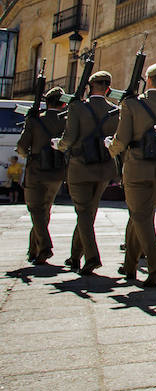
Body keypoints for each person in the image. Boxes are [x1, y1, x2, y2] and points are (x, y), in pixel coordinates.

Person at [108, 61, 156, 288]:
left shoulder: (132, 104)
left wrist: (111, 147)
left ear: (147, 80)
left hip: (137, 165)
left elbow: (123, 137)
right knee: (141, 214)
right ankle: (130, 265)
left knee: (140, 216)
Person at [56, 69, 119, 275]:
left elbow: (70, 136)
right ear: (108, 88)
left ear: (89, 87)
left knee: (83, 212)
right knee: (88, 212)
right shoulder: (114, 110)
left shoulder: (77, 108)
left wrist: (59, 145)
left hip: (81, 166)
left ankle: (91, 257)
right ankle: (75, 256)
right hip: (103, 167)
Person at [17, 87, 67, 264]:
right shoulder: (65, 121)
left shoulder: (35, 120)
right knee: (45, 209)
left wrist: (26, 153)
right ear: (63, 103)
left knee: (35, 209)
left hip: (36, 169)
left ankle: (44, 246)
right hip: (57, 171)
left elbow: (22, 147)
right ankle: (34, 250)